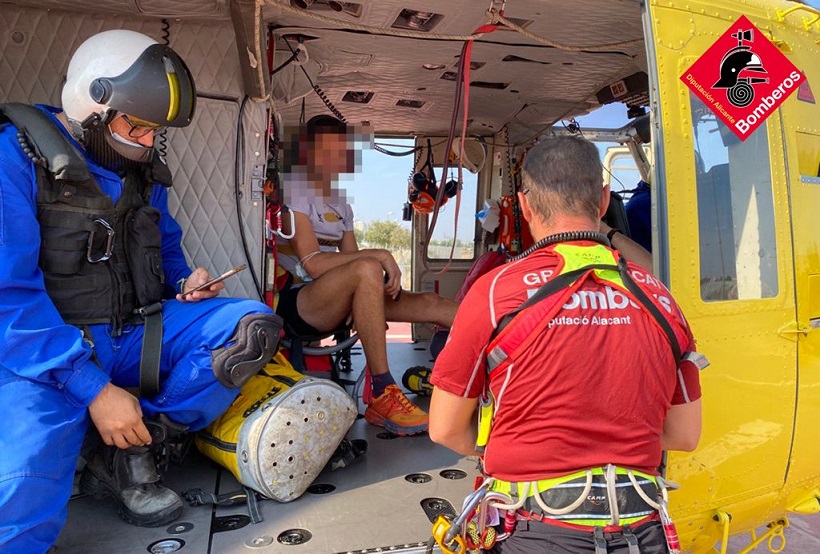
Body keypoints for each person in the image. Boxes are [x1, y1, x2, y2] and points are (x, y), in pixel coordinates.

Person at [0, 30, 282, 553]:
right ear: (92, 104)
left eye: (156, 131)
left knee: (251, 328)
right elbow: (6, 301)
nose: (147, 142)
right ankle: (106, 430)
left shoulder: (140, 172)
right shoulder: (14, 160)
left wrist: (184, 282)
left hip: (130, 333)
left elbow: (166, 249)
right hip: (41, 356)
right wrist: (94, 390)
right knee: (19, 502)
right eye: (138, 126)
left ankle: (130, 450)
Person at [428, 136, 703, 553]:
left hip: (538, 532)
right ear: (605, 199)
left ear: (523, 206)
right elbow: (684, 434)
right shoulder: (660, 298)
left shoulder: (494, 292)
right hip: (643, 532)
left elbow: (445, 428)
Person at [275, 115, 458, 436]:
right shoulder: (294, 191)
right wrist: (382, 255)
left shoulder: (341, 203)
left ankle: (507, 366)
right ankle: (382, 391)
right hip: (299, 301)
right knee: (368, 267)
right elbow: (312, 264)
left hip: (339, 296)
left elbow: (351, 262)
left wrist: (374, 279)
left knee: (433, 303)